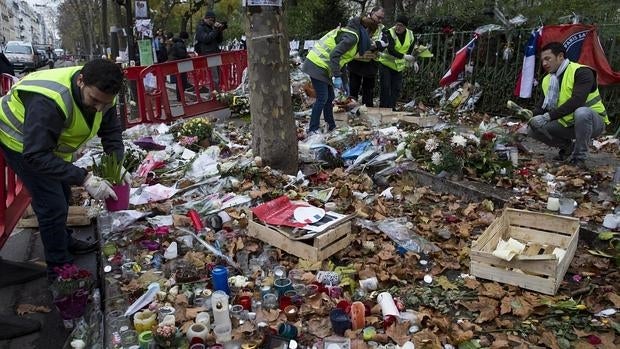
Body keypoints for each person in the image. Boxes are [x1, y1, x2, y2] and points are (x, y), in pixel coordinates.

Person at [0, 59, 129, 279]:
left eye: (105, 104)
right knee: (52, 204)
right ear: (80, 81)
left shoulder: (105, 93)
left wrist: (118, 165)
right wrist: (85, 178)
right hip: (19, 141)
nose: (99, 108)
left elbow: (111, 133)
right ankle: (60, 269)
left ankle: (65, 240)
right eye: (94, 100)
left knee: (63, 191)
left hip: (47, 144)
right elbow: (36, 155)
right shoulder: (50, 101)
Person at [528, 42, 608, 168]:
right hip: (567, 123)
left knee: (582, 112)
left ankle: (579, 159)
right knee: (532, 129)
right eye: (542, 60)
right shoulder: (547, 79)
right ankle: (567, 148)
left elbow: (577, 101)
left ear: (560, 56)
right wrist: (528, 115)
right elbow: (541, 107)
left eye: (548, 59)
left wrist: (547, 117)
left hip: (593, 122)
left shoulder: (582, 71)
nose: (544, 63)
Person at [302, 19, 370, 135]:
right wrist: (337, 77)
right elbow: (334, 55)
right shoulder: (352, 38)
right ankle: (313, 129)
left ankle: (331, 126)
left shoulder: (348, 34)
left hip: (320, 65)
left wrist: (344, 81)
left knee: (330, 97)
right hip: (317, 65)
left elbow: (341, 60)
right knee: (323, 98)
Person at [347, 6, 387, 108]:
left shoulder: (381, 28)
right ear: (372, 13)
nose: (380, 20)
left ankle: (367, 110)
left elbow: (385, 42)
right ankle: (350, 109)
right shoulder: (360, 22)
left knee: (368, 89)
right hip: (355, 61)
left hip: (370, 63)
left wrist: (373, 45)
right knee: (353, 88)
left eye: (382, 18)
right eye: (378, 17)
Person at [377, 15, 417, 109]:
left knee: (396, 88)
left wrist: (414, 61)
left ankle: (391, 108)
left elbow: (411, 51)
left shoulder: (411, 35)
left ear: (405, 27)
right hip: (385, 64)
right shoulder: (389, 32)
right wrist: (404, 56)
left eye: (401, 25)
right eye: (397, 24)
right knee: (385, 86)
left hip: (398, 67)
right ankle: (383, 108)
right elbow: (390, 49)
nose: (398, 27)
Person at [195, 11, 226, 91]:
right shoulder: (200, 28)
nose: (211, 22)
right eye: (210, 20)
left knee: (218, 75)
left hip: (215, 53)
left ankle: (216, 92)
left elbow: (219, 40)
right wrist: (215, 30)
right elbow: (206, 39)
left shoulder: (212, 27)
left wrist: (220, 31)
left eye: (213, 20)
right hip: (208, 54)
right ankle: (214, 94)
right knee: (214, 76)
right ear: (205, 19)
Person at [168, 31, 191, 101]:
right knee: (182, 81)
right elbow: (182, 55)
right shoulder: (180, 44)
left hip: (176, 63)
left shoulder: (177, 43)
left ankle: (180, 97)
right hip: (180, 64)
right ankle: (180, 97)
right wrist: (188, 57)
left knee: (180, 81)